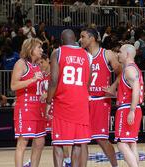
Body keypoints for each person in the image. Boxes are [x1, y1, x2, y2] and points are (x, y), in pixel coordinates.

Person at [46, 29, 91, 167]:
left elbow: (53, 80)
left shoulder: (58, 52)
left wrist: (48, 101)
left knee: (59, 144)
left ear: (61, 40)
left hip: (63, 103)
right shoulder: (87, 55)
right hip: (81, 104)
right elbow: (87, 83)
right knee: (78, 143)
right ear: (75, 39)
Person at [80, 28, 121, 167]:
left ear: (92, 38)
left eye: (83, 37)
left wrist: (113, 87)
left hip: (100, 101)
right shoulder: (81, 55)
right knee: (82, 140)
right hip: (84, 101)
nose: (81, 40)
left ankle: (115, 165)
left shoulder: (107, 54)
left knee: (102, 139)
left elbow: (121, 73)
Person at [11, 38, 45, 167]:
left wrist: (43, 93)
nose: (41, 50)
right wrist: (31, 80)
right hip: (25, 107)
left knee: (40, 142)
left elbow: (38, 85)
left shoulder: (38, 65)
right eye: (39, 48)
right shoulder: (21, 63)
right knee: (23, 142)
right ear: (30, 49)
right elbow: (13, 86)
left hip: (38, 107)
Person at [114, 44, 144, 167]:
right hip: (133, 107)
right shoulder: (134, 68)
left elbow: (136, 89)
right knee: (132, 144)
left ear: (127, 54)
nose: (118, 54)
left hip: (127, 108)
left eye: (120, 52)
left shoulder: (129, 70)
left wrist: (131, 110)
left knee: (121, 143)